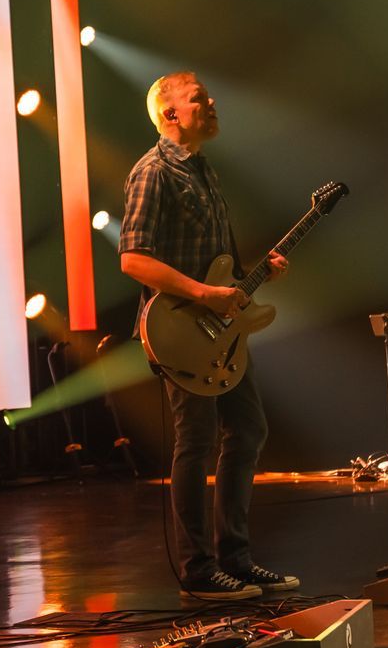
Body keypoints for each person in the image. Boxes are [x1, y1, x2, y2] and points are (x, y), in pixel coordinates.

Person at [119, 72, 297, 601]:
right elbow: (132, 258)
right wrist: (202, 294)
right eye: (199, 99)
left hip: (219, 331)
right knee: (196, 444)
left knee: (248, 431)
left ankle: (236, 560)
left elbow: (217, 265)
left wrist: (256, 272)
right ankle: (200, 571)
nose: (213, 102)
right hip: (179, 333)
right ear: (170, 114)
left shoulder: (204, 170)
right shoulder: (153, 172)